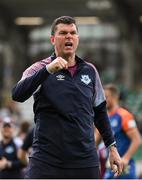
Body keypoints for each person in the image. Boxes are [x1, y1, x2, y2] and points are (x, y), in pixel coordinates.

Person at [12, 16, 123, 179]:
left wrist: (112, 148)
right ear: (52, 39)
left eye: (73, 33)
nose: (69, 36)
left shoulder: (90, 71)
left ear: (77, 39)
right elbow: (17, 94)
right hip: (47, 160)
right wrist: (48, 70)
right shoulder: (40, 68)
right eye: (63, 33)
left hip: (85, 161)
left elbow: (100, 112)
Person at [95, 84, 142, 179]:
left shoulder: (124, 115)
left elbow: (137, 140)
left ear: (115, 97)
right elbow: (96, 139)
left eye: (106, 97)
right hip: (111, 167)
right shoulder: (104, 118)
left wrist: (126, 158)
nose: (103, 100)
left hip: (125, 168)